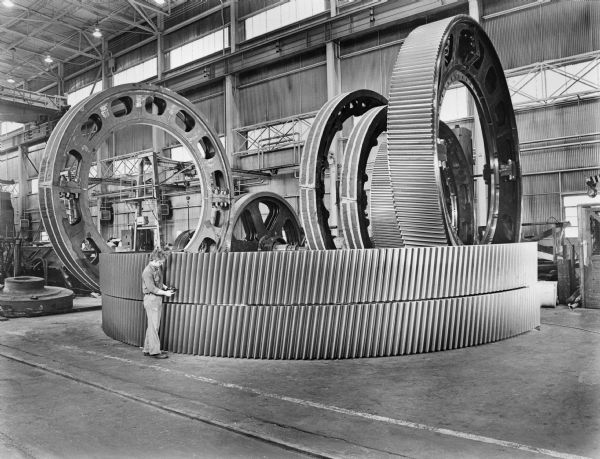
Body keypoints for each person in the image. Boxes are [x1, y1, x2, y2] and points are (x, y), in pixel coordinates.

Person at [141, 248, 174, 359]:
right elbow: (152, 288)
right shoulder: (147, 272)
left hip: (157, 299)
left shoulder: (156, 268)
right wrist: (165, 293)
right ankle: (155, 352)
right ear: (153, 259)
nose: (161, 264)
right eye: (160, 262)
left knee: (152, 326)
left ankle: (147, 349)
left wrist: (166, 288)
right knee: (154, 327)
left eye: (162, 262)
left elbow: (159, 282)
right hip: (151, 299)